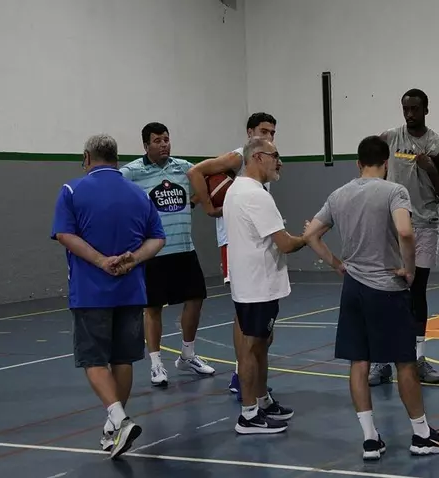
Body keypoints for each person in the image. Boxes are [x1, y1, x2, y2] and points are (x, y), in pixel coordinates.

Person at [303, 135, 439, 460]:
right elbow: (405, 231)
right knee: (405, 363)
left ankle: (370, 439)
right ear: (386, 163)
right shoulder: (394, 191)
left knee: (359, 362)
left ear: (358, 163)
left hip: (353, 289)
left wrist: (337, 264)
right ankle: (421, 435)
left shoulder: (338, 195)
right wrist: (409, 269)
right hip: (387, 288)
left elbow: (311, 234)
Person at [51, 134, 166, 458]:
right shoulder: (138, 193)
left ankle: (119, 419)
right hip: (131, 292)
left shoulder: (72, 190)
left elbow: (65, 234)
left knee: (93, 360)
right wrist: (134, 258)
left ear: (87, 158)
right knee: (122, 359)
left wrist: (102, 261)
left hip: (90, 293)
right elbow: (157, 239)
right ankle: (114, 428)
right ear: (116, 158)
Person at [185, 112, 278, 399]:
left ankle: (248, 377)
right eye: (263, 130)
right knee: (243, 312)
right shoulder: (238, 157)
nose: (269, 136)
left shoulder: (262, 161)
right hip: (234, 242)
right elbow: (195, 172)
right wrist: (208, 207)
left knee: (252, 314)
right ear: (250, 132)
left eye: (272, 132)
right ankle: (241, 375)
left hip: (251, 241)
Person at [370, 88, 439, 386]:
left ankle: (418, 358)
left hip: (424, 227)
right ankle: (382, 360)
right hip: (392, 227)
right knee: (385, 292)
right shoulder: (388, 139)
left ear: (426, 110)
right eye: (405, 108)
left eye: (415, 109)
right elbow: (371, 176)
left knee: (416, 291)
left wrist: (431, 170)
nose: (409, 114)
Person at [120, 122, 216, 387]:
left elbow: (206, 180)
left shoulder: (184, 168)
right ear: (146, 145)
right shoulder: (132, 172)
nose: (163, 144)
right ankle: (156, 364)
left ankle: (187, 355)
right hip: (153, 251)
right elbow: (114, 189)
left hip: (184, 248)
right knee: (153, 308)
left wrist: (193, 202)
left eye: (166, 139)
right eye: (157, 141)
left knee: (195, 299)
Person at [223, 137, 305, 434]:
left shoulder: (238, 189)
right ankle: (248, 415)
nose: (279, 162)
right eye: (275, 156)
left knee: (261, 344)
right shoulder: (255, 195)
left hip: (253, 282)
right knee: (252, 347)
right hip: (257, 285)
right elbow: (285, 243)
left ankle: (262, 401)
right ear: (257, 157)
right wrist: (310, 236)